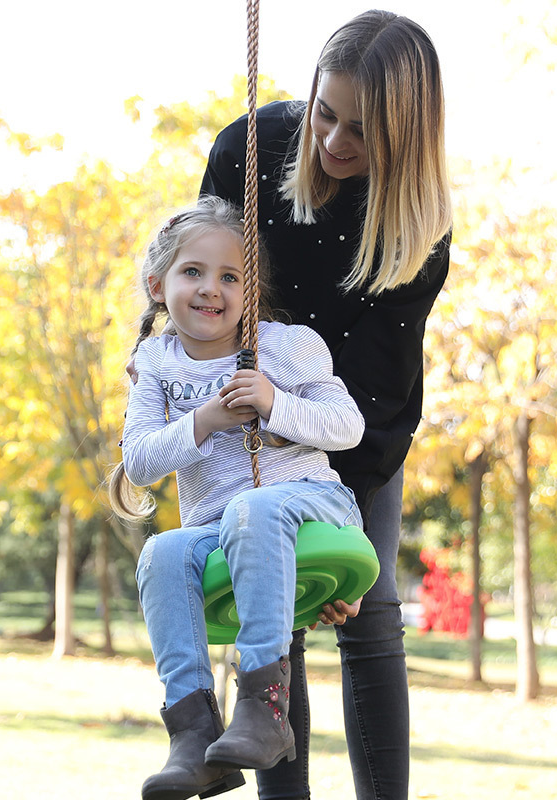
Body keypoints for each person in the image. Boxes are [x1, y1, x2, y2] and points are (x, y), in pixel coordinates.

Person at [198, 10, 452, 799]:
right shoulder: (251, 147)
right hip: (246, 415)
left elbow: (383, 393)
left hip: (349, 429)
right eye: (326, 113)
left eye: (363, 132)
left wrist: (338, 523)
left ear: (407, 138)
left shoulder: (418, 230)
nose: (335, 141)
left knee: (366, 611)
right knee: (276, 616)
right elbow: (196, 272)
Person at [110, 196, 365, 800]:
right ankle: (194, 735)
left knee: (257, 507)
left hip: (313, 507)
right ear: (157, 284)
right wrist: (205, 420)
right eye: (192, 272)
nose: (211, 289)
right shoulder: (156, 363)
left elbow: (347, 427)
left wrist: (276, 402)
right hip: (223, 529)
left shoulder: (285, 345)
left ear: (249, 290)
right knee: (163, 554)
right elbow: (139, 462)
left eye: (230, 276)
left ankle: (263, 707)